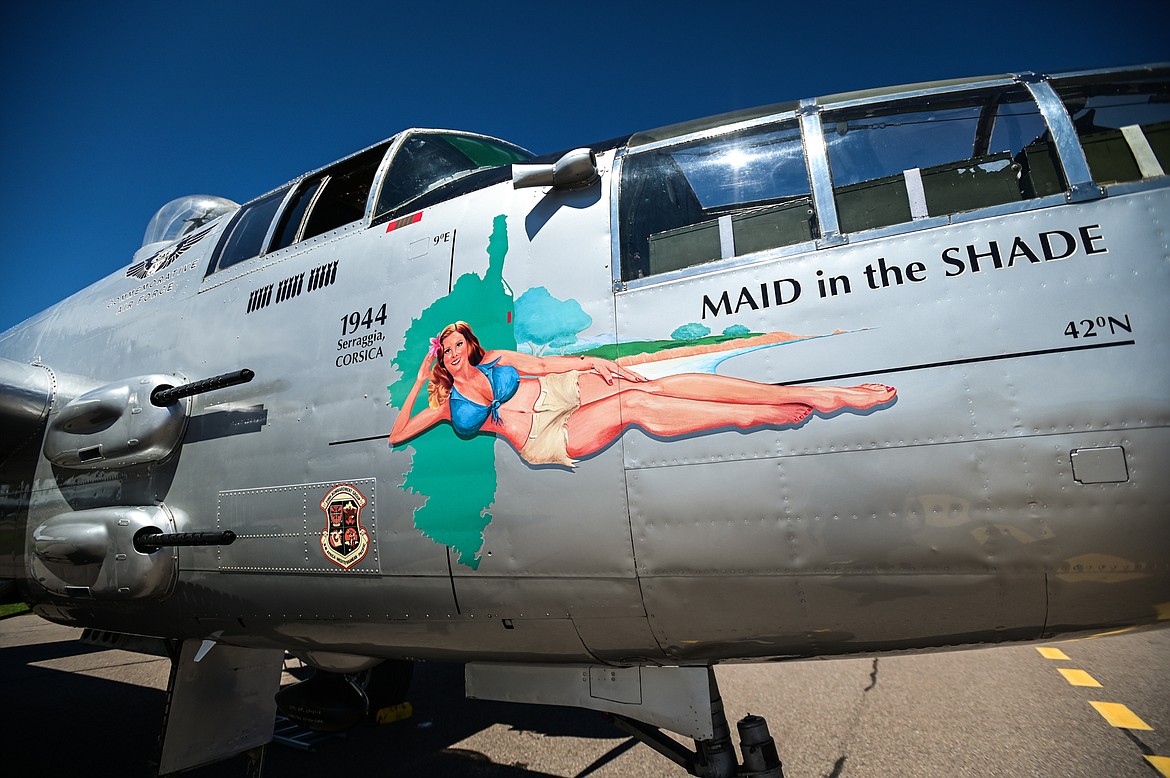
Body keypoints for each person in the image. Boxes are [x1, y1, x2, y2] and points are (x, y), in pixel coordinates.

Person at [390, 321, 895, 467]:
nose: (454, 353)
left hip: (558, 390)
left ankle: (811, 393)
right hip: (543, 436)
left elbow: (545, 365)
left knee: (652, 384)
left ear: (470, 345)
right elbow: (397, 435)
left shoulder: (498, 359)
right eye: (446, 350)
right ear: (439, 358)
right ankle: (759, 412)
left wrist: (594, 362)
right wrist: (417, 381)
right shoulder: (443, 406)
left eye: (459, 345)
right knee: (635, 404)